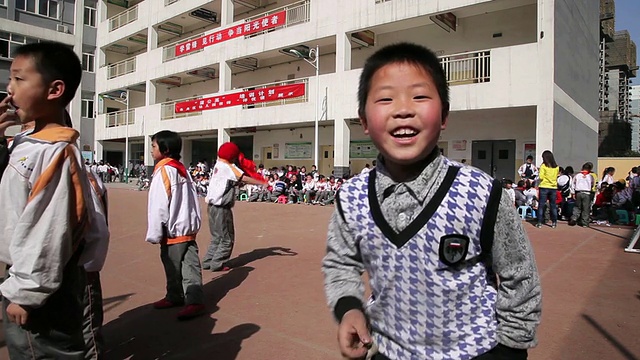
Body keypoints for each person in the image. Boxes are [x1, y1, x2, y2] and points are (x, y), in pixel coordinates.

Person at [322, 42, 541, 360]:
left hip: (475, 351)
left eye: (420, 96)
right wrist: (349, 309)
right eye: (385, 99)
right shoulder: (351, 198)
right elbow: (340, 264)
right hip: (387, 351)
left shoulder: (481, 192)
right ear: (364, 121)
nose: (403, 109)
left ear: (444, 116)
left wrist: (510, 349)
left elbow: (520, 276)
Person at [0, 41, 107, 358]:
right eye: (10, 79)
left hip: (39, 288)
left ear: (54, 90)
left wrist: (27, 291)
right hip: (23, 273)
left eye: (20, 79)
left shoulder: (55, 152)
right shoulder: (26, 144)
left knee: (40, 351)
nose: (10, 88)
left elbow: (48, 229)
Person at [145, 130, 206, 320]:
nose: (151, 150)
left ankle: (176, 296)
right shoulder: (181, 168)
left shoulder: (164, 170)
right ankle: (193, 300)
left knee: (173, 265)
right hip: (187, 226)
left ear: (165, 149)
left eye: (154, 146)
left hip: (173, 229)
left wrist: (155, 232)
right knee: (190, 265)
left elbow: (158, 205)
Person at [203, 142, 266, 272]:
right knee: (227, 239)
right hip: (222, 208)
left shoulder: (218, 165)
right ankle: (217, 263)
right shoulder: (228, 166)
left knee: (216, 237)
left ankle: (208, 261)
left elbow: (230, 182)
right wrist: (262, 182)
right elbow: (243, 178)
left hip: (211, 207)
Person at [535, 150, 559, 228]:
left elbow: (541, 177)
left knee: (541, 205)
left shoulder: (543, 166)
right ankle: (554, 222)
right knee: (553, 205)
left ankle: (539, 222)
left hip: (544, 186)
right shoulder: (556, 167)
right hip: (553, 187)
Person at [568, 163, 594, 227]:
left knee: (577, 207)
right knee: (586, 208)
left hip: (578, 192)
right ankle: (585, 222)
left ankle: (574, 218)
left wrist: (573, 193)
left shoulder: (577, 175)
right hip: (587, 193)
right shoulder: (590, 176)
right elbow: (592, 184)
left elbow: (572, 184)